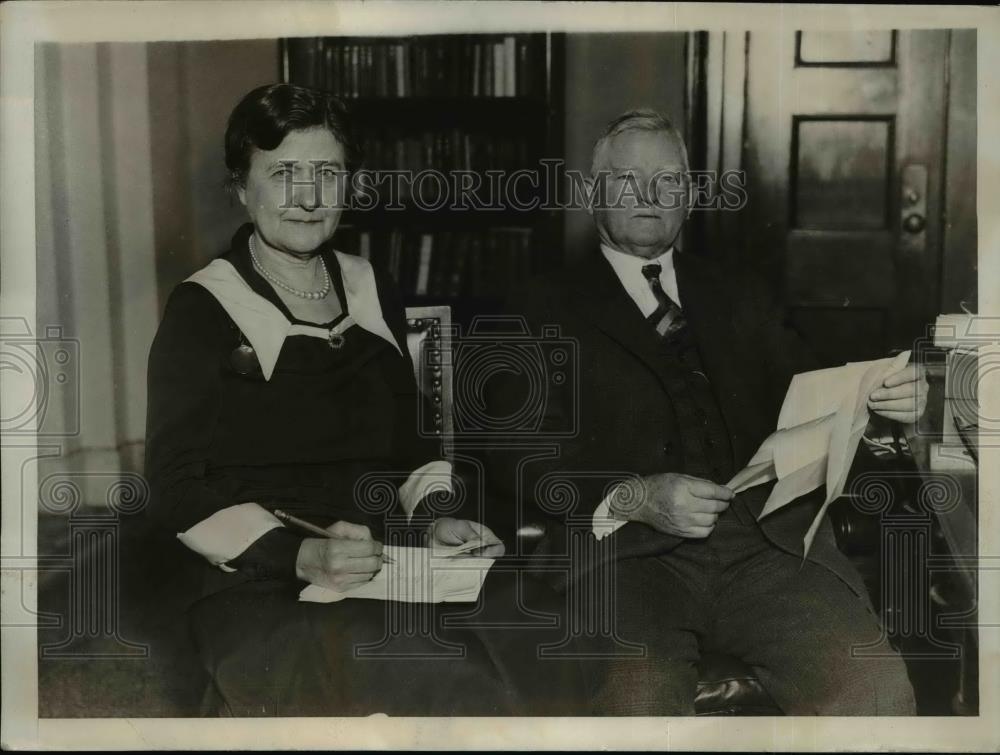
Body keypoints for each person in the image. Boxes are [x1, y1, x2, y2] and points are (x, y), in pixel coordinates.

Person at [144, 83, 588, 716]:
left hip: (388, 557)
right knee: (445, 672)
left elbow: (417, 447)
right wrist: (300, 554)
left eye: (326, 173)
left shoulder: (371, 284)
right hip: (261, 578)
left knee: (545, 626)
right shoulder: (203, 308)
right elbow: (173, 486)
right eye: (283, 173)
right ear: (241, 187)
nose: (306, 197)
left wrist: (435, 517)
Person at [486, 109, 928, 715]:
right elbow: (514, 453)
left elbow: (822, 398)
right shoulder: (536, 304)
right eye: (626, 180)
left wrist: (883, 409)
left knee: (875, 690)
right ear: (592, 195)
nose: (648, 195)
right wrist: (634, 495)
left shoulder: (740, 292)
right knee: (639, 700)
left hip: (766, 548)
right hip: (627, 560)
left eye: (667, 180)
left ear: (690, 198)